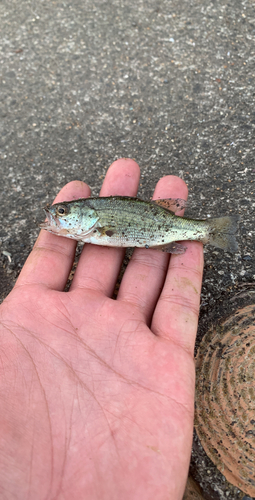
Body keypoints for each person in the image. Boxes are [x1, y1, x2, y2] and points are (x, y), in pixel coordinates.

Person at [0, 158, 203, 500]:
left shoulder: (100, 227)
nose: (56, 216)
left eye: (63, 213)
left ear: (86, 217)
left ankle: (206, 229)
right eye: (62, 212)